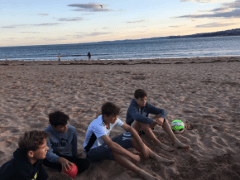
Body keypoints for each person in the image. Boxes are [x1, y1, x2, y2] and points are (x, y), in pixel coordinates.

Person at [83, 102, 174, 180]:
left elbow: (130, 129)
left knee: (129, 135)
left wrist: (142, 145)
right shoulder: (97, 125)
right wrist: (132, 155)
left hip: (104, 145)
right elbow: (111, 145)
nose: (115, 119)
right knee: (113, 149)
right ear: (105, 116)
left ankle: (156, 157)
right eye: (113, 116)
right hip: (91, 153)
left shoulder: (111, 118)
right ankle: (141, 172)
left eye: (116, 116)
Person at [43, 111, 90, 175]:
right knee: (43, 159)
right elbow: (48, 152)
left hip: (68, 156)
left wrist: (75, 156)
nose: (65, 128)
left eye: (66, 124)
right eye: (61, 127)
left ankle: (66, 171)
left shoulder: (72, 130)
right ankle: (65, 170)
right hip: (56, 156)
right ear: (53, 127)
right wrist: (59, 159)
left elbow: (74, 146)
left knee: (85, 163)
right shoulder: (46, 133)